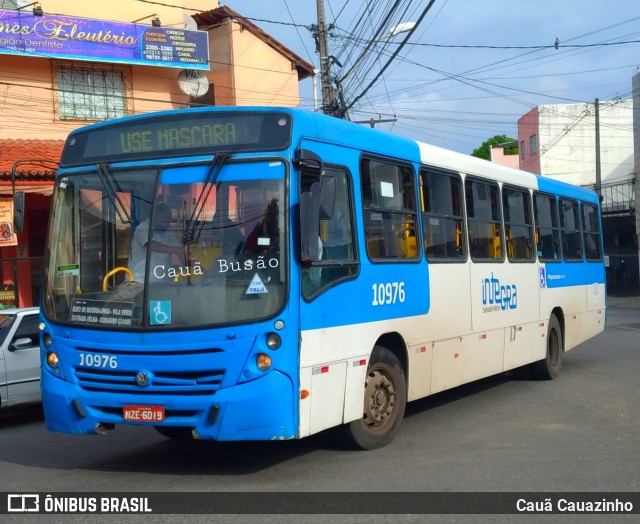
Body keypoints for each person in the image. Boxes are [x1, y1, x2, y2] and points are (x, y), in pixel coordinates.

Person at [128, 203, 192, 282]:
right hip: (138, 280)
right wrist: (176, 250)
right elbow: (152, 245)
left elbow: (180, 250)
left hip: (158, 282)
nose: (164, 224)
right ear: (153, 218)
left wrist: (195, 266)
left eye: (167, 222)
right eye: (161, 221)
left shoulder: (168, 231)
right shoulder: (143, 227)